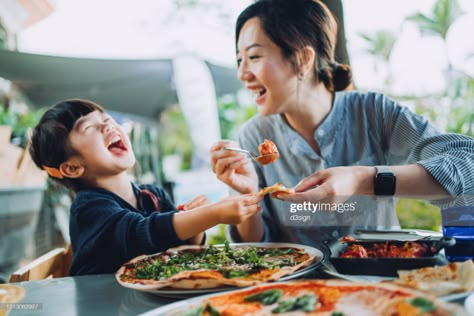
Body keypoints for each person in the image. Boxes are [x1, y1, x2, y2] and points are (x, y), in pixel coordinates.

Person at [210, 0, 474, 247]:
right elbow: (261, 247)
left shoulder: (373, 112)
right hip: (300, 292)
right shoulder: (253, 137)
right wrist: (246, 197)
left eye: (254, 57)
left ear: (303, 59)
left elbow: (467, 163)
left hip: (382, 286)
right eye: (239, 60)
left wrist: (365, 179)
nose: (242, 74)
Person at [29, 99, 262, 275]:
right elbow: (141, 232)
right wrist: (211, 214)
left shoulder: (154, 196)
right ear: (72, 168)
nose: (108, 127)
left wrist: (195, 228)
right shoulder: (88, 209)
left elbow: (184, 250)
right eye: (89, 128)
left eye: (107, 120)